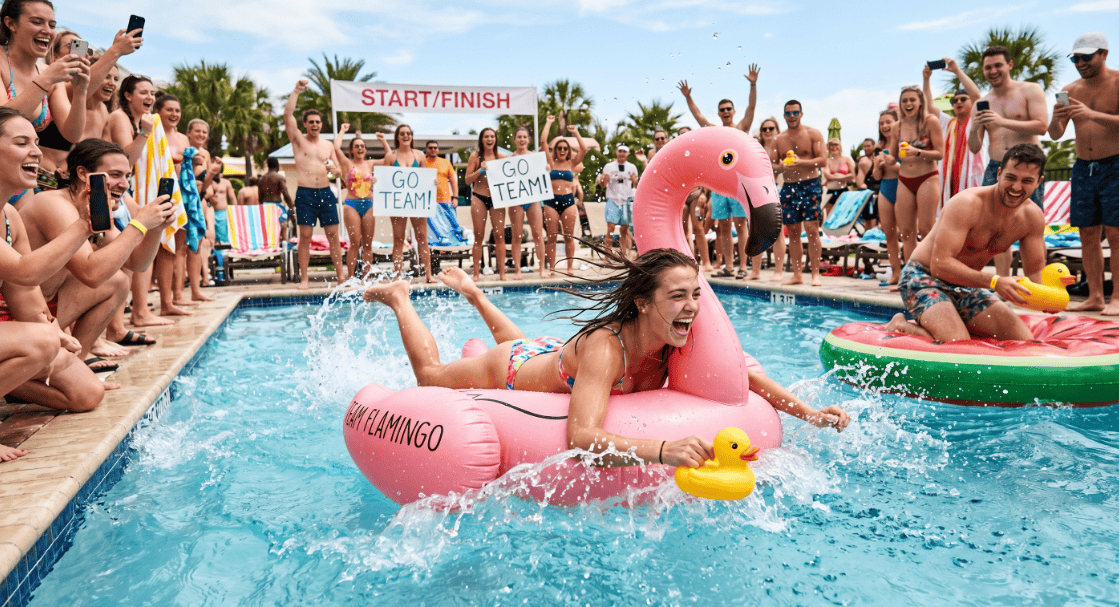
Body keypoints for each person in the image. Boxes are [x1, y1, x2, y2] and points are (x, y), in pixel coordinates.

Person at [363, 252, 849, 469]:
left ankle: (473, 294)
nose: (692, 307)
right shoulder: (606, 347)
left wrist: (809, 413)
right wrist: (663, 449)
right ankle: (401, 299)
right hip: (513, 371)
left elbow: (741, 377)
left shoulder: (680, 333)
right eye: (677, 296)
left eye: (695, 295)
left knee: (542, 346)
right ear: (643, 302)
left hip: (554, 356)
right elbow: (581, 437)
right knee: (430, 377)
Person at [19, 137, 174, 377]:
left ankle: (75, 363)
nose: (123, 184)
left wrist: (155, 229)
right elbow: (91, 274)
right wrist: (139, 224)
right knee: (111, 280)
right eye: (114, 174)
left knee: (119, 281)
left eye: (127, 176)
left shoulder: (96, 208)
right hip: (20, 315)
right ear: (82, 173)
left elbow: (136, 263)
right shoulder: (53, 204)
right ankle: (44, 373)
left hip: (48, 309)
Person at [887, 144, 1048, 343]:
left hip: (967, 285)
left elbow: (1035, 272)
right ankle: (901, 325)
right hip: (923, 276)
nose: (1016, 187)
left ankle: (952, 324)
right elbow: (940, 264)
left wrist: (1049, 297)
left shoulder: (1032, 217)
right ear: (998, 173)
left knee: (1024, 342)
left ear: (1039, 182)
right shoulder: (967, 203)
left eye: (1027, 181)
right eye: (1011, 177)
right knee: (957, 344)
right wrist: (995, 282)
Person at [1, 113, 104, 416]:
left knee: (87, 393)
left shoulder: (9, 217)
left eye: (36, 142)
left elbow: (27, 298)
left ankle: (12, 381)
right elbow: (25, 269)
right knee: (42, 344)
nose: (36, 151)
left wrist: (58, 338)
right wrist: (84, 225)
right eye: (21, 143)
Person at [1049, 32, 1119, 315]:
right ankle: (1095, 296)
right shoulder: (1071, 89)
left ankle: (1117, 299)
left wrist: (1091, 115)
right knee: (1087, 234)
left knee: (1116, 235)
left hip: (1114, 164)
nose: (1080, 63)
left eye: (1086, 57)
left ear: (1104, 53)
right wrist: (1057, 118)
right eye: (1075, 58)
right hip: (1082, 167)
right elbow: (1054, 135)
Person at [968, 45, 1049, 277]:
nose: (993, 71)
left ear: (1009, 65)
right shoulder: (981, 103)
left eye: (997, 65)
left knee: (1033, 225)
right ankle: (1003, 284)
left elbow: (1041, 126)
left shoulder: (1029, 90)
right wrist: (975, 126)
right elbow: (974, 147)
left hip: (1027, 168)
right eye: (988, 67)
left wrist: (1002, 122)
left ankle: (1037, 283)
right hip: (996, 167)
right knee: (993, 229)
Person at [0, 0, 89, 189]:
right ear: (10, 23)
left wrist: (81, 90)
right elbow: (3, 121)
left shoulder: (46, 71)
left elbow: (72, 134)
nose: (47, 31)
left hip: (20, 178)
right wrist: (46, 79)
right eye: (37, 22)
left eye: (52, 25)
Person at [284, 80, 346, 289]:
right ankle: (304, 278)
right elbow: (287, 115)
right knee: (305, 236)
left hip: (326, 193)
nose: (315, 125)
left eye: (317, 122)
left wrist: (335, 170)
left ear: (321, 124)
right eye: (311, 122)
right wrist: (296, 90)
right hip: (305, 193)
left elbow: (338, 170)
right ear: (305, 124)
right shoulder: (298, 141)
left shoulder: (328, 145)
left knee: (333, 236)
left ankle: (341, 277)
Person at [772, 100, 826, 286]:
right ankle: (797, 275)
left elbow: (823, 160)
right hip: (789, 186)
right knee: (793, 232)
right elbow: (771, 165)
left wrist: (800, 162)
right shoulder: (778, 139)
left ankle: (815, 274)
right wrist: (782, 166)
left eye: (795, 112)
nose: (792, 116)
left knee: (812, 230)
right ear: (784, 115)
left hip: (810, 184)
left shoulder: (813, 133)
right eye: (788, 113)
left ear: (801, 114)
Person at [923, 58, 986, 215]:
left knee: (974, 216)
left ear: (971, 102)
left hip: (972, 177)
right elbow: (929, 106)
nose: (958, 102)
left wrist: (957, 71)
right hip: (949, 180)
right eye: (955, 100)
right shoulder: (948, 122)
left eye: (963, 99)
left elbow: (977, 95)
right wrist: (926, 79)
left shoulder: (977, 119)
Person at [376, 124, 434, 282]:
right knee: (398, 239)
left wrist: (432, 182)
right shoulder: (391, 157)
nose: (406, 136)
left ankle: (428, 274)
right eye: (402, 134)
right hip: (398, 203)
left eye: (408, 133)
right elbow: (385, 181)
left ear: (412, 136)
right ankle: (398, 276)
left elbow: (425, 180)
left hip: (417, 202)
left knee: (422, 237)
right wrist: (377, 181)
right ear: (397, 137)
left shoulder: (420, 156)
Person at [891, 86, 944, 257]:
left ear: (920, 102)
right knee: (906, 231)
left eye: (912, 99)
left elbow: (940, 153)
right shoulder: (896, 127)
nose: (908, 103)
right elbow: (893, 157)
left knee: (926, 230)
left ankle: (928, 271)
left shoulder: (930, 122)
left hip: (927, 177)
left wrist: (918, 152)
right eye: (904, 100)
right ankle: (910, 273)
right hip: (904, 179)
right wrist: (884, 160)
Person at [541, 117, 588, 274]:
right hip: (551, 201)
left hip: (568, 201)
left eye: (565, 148)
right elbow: (543, 142)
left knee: (569, 237)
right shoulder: (550, 162)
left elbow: (584, 149)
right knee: (552, 237)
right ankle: (552, 268)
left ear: (568, 151)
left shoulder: (572, 163)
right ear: (555, 150)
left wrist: (576, 133)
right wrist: (548, 123)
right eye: (559, 148)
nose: (562, 150)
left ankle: (569, 267)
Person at [332, 123, 376, 279]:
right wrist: (342, 131)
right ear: (351, 149)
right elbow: (336, 148)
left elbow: (391, 160)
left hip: (369, 204)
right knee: (355, 243)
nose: (360, 148)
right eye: (356, 146)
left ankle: (366, 277)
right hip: (352, 204)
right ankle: (351, 277)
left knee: (368, 245)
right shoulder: (347, 164)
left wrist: (384, 141)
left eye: (362, 146)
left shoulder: (370, 164)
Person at [747, 117, 786, 281]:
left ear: (777, 130)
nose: (768, 131)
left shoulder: (783, 148)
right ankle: (755, 271)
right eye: (765, 129)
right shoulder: (756, 149)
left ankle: (778, 271)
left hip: (776, 190)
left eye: (771, 128)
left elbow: (784, 169)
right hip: (757, 192)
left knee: (778, 234)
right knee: (755, 232)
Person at [503, 128, 545, 279]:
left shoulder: (536, 158)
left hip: (533, 199)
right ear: (514, 140)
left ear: (528, 140)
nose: (522, 139)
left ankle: (542, 269)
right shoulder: (508, 159)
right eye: (519, 137)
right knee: (517, 236)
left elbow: (542, 177)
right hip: (516, 200)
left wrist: (546, 169)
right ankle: (517, 270)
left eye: (524, 137)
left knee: (538, 234)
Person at [465, 127, 506, 281]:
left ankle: (502, 273)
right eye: (486, 136)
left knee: (499, 235)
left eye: (492, 136)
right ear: (482, 140)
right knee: (478, 236)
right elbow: (468, 180)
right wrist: (479, 171)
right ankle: (476, 273)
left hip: (497, 199)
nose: (490, 139)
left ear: (495, 139)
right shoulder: (475, 157)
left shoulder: (501, 157)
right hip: (479, 197)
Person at [676, 65, 760, 132]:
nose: (725, 111)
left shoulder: (741, 128)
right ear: (718, 114)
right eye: (722, 110)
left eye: (728, 108)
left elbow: (751, 107)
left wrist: (753, 84)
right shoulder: (716, 131)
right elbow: (698, 116)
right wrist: (688, 97)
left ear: (734, 111)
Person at [872, 110, 902, 285]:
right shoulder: (879, 145)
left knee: (907, 234)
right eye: (881, 123)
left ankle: (911, 273)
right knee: (889, 234)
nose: (885, 126)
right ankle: (896, 273)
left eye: (888, 122)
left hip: (903, 187)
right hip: (885, 187)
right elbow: (876, 177)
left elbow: (909, 169)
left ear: (897, 123)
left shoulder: (904, 143)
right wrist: (878, 165)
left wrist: (891, 162)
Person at [596, 143, 639, 258]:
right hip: (613, 199)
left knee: (624, 230)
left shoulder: (632, 167)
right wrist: (604, 178)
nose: (622, 154)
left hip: (625, 201)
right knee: (610, 228)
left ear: (628, 153)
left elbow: (635, 186)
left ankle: (622, 255)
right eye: (620, 151)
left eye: (624, 151)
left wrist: (635, 180)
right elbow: (603, 185)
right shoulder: (609, 167)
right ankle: (607, 254)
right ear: (616, 152)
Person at [821, 138, 856, 219]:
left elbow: (853, 175)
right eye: (831, 146)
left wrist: (840, 177)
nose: (833, 147)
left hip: (843, 191)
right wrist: (842, 177)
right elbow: (827, 175)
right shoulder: (827, 161)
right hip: (831, 192)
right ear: (828, 148)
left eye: (836, 145)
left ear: (840, 146)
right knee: (830, 217)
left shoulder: (847, 159)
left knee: (844, 216)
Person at [854, 137, 880, 233]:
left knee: (879, 219)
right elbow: (860, 182)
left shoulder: (880, 158)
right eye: (864, 146)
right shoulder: (863, 161)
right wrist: (862, 187)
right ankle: (869, 238)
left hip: (881, 190)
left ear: (874, 146)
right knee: (869, 219)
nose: (866, 148)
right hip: (868, 192)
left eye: (868, 146)